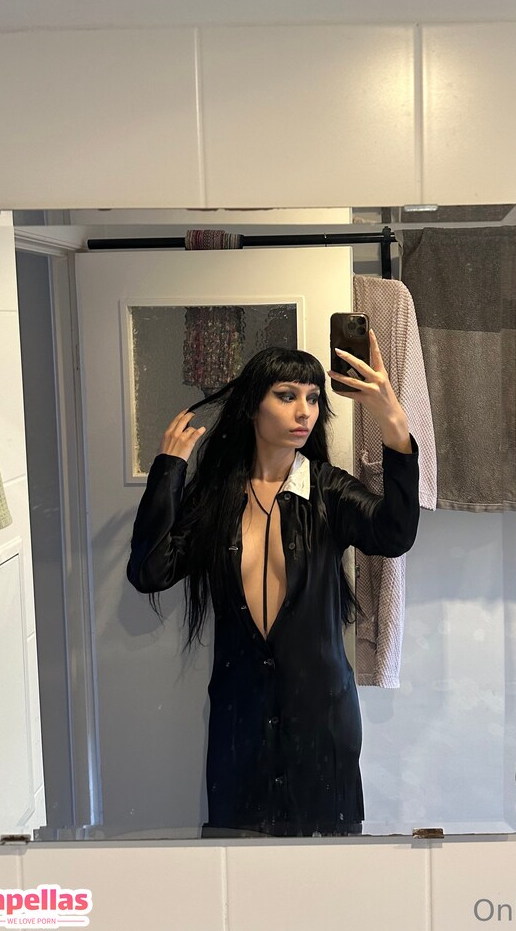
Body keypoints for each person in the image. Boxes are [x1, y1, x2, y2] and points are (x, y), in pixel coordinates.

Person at [126, 330, 420, 837]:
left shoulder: (328, 491)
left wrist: (393, 422)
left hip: (323, 721)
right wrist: (169, 470)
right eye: (287, 396)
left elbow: (395, 534)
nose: (304, 412)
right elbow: (150, 572)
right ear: (252, 408)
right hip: (240, 721)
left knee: (326, 866)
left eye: (313, 399)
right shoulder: (216, 497)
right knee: (239, 864)